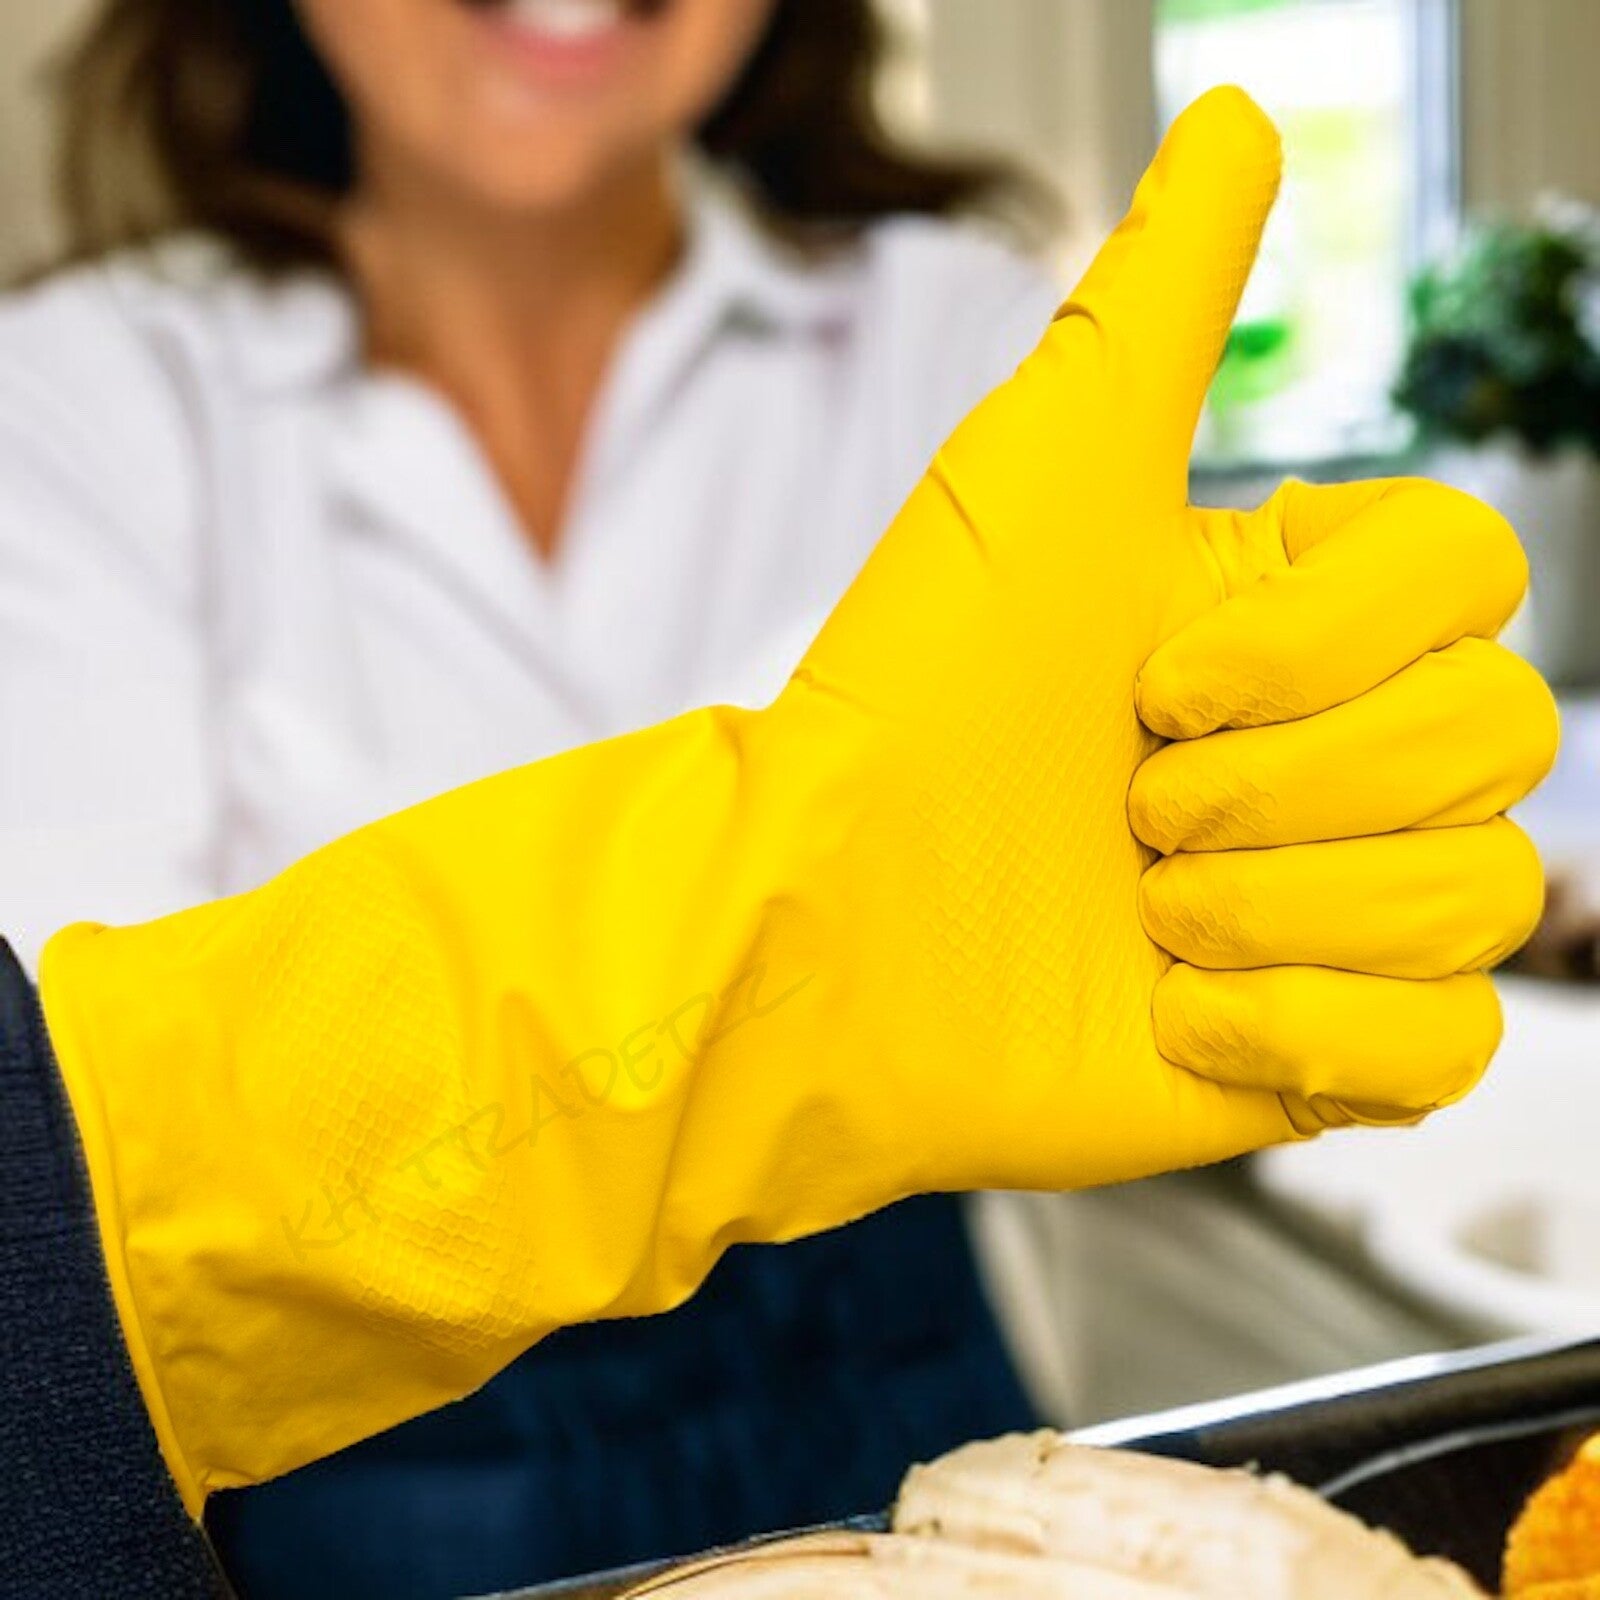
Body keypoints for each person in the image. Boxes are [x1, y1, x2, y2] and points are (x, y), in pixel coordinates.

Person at [0, 6, 1554, 1599]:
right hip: (347, 1472)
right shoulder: (77, 392)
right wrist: (788, 941)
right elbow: (60, 1136)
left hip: (905, 1395)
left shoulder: (978, 331)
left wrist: (1257, 805)